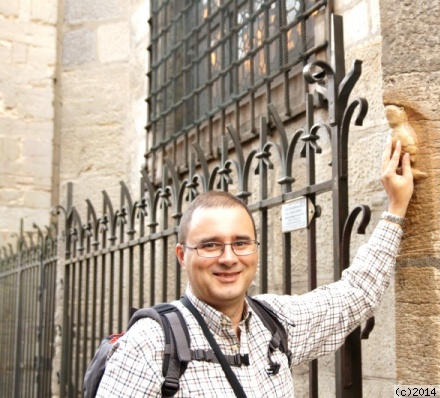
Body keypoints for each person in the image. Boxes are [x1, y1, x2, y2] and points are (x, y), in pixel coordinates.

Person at [95, 138, 414, 397]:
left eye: (241, 243)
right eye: (210, 245)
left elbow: (356, 296)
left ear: (255, 250)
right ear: (182, 255)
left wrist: (396, 207)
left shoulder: (275, 322)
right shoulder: (150, 343)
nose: (229, 257)